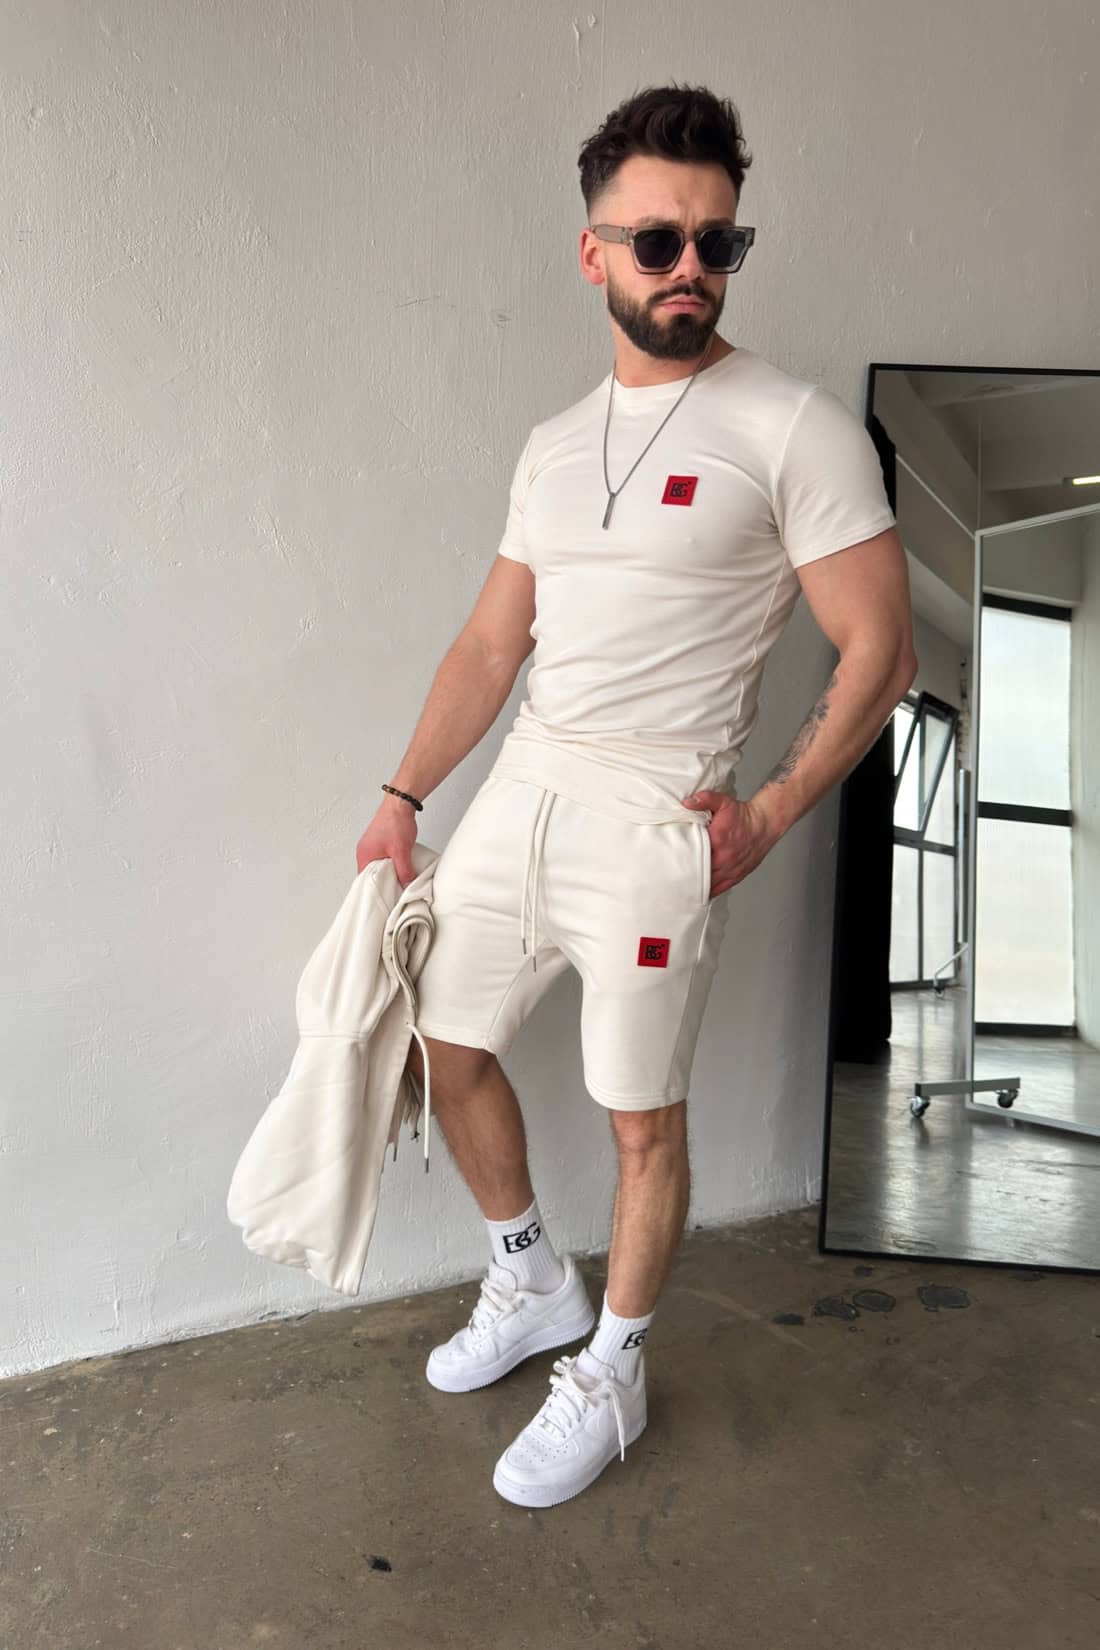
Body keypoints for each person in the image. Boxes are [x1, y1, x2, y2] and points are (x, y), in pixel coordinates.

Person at [354, 82, 917, 1509]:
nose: (690, 270)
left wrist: (770, 809)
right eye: (659, 241)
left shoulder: (791, 427)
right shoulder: (554, 444)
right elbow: (492, 646)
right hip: (524, 791)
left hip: (658, 824)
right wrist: (404, 793)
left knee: (640, 1117)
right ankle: (532, 1277)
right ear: (593, 251)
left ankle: (615, 1365)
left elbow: (882, 649)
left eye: (718, 244)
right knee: (440, 1041)